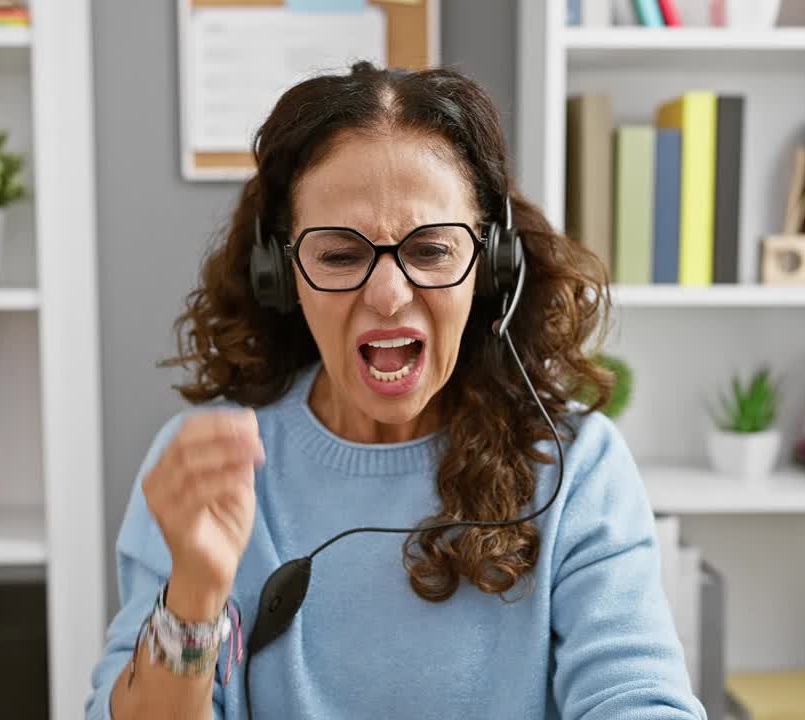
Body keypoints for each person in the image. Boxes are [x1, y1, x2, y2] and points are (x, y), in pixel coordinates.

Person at [87, 62, 706, 720]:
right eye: (339, 255)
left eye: (432, 251)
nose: (387, 295)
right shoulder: (207, 465)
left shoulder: (575, 466)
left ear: (492, 268)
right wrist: (195, 593)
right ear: (281, 274)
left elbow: (640, 700)